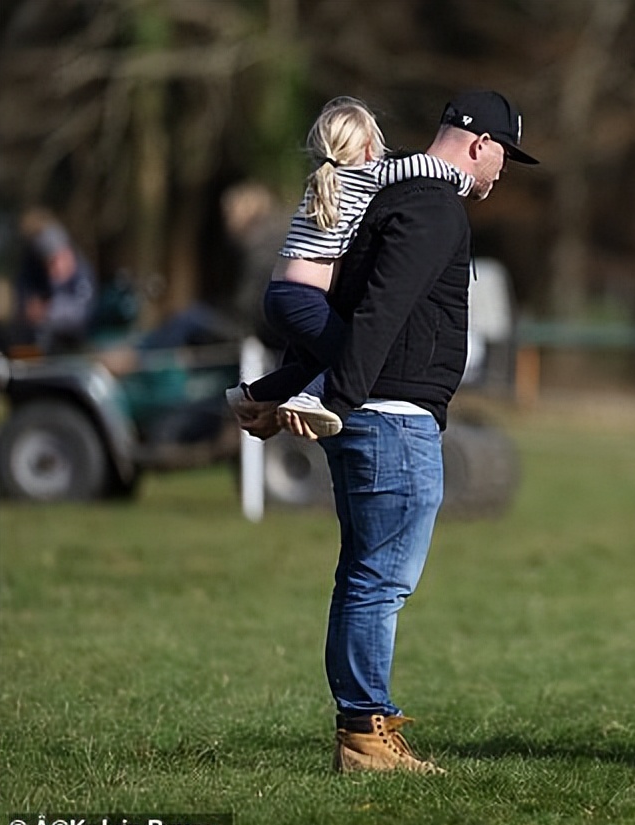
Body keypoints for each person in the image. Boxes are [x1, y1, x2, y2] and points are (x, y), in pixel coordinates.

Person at [277, 90, 537, 773]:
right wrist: (339, 394)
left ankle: (368, 721)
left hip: (373, 415)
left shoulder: (396, 199)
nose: (504, 170)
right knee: (378, 582)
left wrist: (277, 389)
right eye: (504, 154)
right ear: (479, 144)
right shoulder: (431, 207)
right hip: (391, 423)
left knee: (364, 577)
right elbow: (380, 313)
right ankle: (365, 735)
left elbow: (345, 308)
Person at [224, 96, 476, 439]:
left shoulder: (321, 181)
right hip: (305, 300)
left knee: (314, 363)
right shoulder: (367, 174)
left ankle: (253, 394)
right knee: (355, 358)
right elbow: (420, 167)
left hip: (280, 296)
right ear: (370, 146)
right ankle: (312, 401)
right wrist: (461, 181)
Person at [8, 208, 97, 354]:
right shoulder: (32, 269)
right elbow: (22, 298)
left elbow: (84, 312)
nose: (54, 269)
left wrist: (48, 312)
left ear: (67, 252)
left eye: (57, 260)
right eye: (48, 263)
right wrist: (28, 308)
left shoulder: (82, 272)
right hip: (36, 346)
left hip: (74, 345)